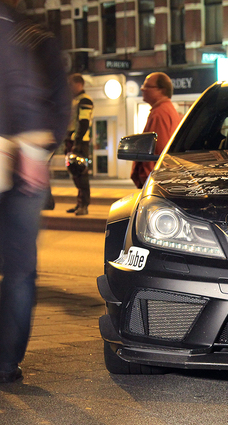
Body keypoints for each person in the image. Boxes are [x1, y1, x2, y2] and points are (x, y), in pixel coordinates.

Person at [0, 0, 71, 383]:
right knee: (19, 268)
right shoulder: (40, 37)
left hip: (15, 152)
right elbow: (60, 105)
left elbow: (16, 79)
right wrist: (40, 150)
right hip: (29, 159)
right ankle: (6, 362)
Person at [131, 72, 181, 188]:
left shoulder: (160, 113)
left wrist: (150, 180)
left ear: (161, 90)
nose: (142, 89)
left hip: (156, 182)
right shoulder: (165, 110)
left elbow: (157, 152)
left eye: (147, 86)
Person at [65, 73, 94, 216]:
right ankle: (79, 204)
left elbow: (83, 123)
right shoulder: (76, 100)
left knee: (81, 173)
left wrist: (76, 143)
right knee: (75, 173)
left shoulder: (85, 101)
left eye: (71, 85)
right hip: (73, 141)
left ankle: (84, 205)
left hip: (80, 142)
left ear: (78, 84)